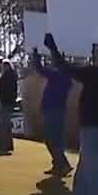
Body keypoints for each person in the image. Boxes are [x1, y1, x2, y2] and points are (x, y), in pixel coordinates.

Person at [45, 34, 98, 195]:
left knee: (94, 173)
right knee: (84, 173)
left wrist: (53, 49)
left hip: (94, 129)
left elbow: (67, 69)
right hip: (97, 128)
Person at [32, 47, 74, 176]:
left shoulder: (57, 74)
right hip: (58, 110)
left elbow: (40, 68)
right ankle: (58, 165)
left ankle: (63, 164)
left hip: (52, 110)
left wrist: (36, 55)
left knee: (51, 139)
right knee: (56, 139)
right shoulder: (66, 76)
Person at [0, 59, 18, 155]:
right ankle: (8, 145)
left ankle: (1, 146)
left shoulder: (8, 76)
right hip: (9, 102)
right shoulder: (12, 75)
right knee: (6, 125)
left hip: (5, 102)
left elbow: (1, 87)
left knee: (2, 125)